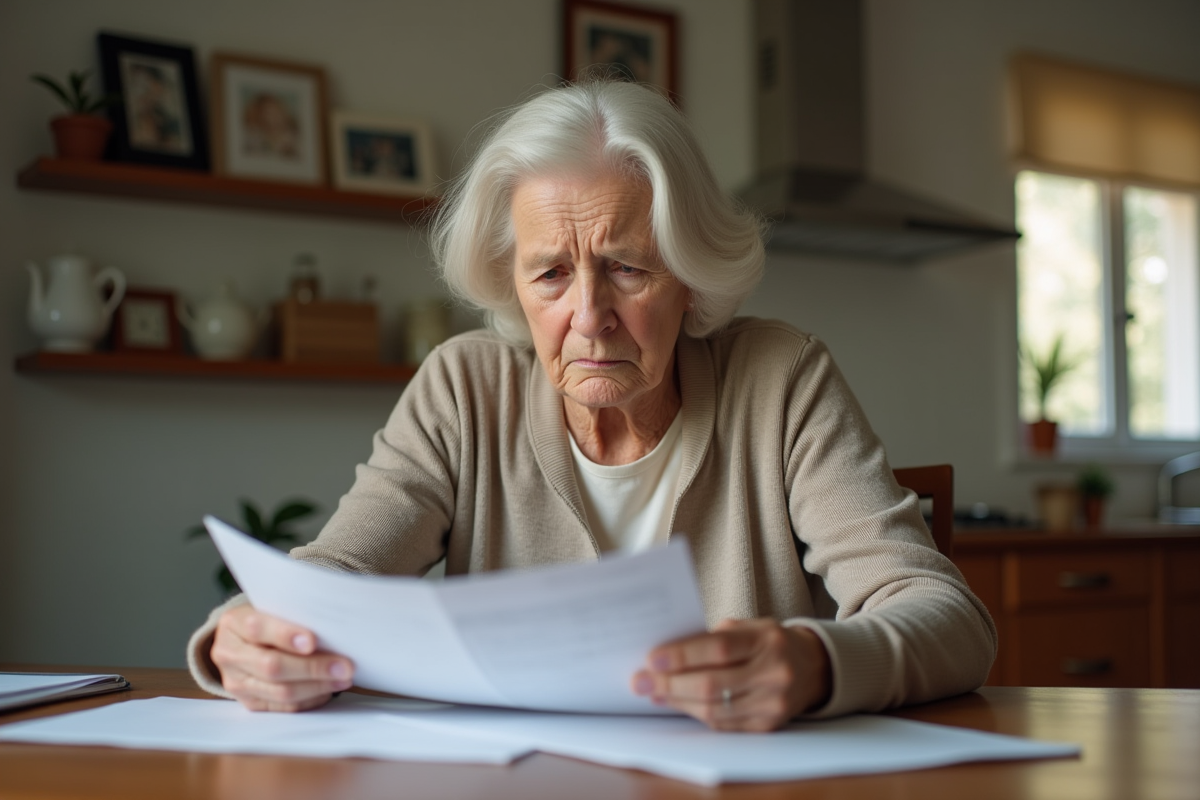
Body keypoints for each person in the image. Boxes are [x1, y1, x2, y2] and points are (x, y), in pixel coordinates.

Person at [187, 78, 996, 732]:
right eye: (549, 274)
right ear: (513, 284)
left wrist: (816, 663)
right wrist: (244, 638)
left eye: (628, 269)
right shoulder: (463, 388)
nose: (587, 314)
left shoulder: (780, 378)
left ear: (690, 275)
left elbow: (947, 619)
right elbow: (335, 578)